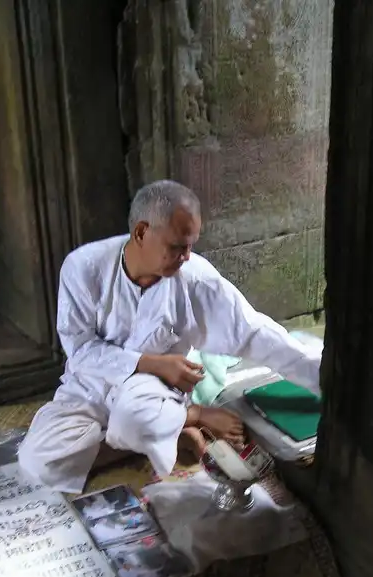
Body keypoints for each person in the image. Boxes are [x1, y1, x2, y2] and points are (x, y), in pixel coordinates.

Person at [18, 180, 322, 494]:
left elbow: (257, 333)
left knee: (132, 417)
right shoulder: (84, 267)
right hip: (89, 385)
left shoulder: (196, 280)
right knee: (38, 460)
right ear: (141, 232)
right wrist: (154, 365)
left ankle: (162, 429)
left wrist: (325, 379)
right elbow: (80, 348)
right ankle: (182, 427)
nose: (186, 256)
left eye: (190, 246)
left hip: (149, 395)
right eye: (177, 246)